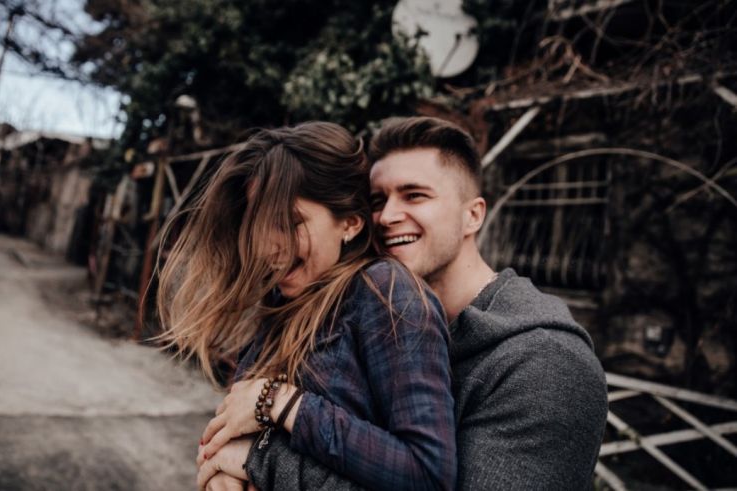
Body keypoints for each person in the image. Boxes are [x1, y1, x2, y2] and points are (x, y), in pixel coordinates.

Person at [199, 117, 608, 490]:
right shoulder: (359, 313)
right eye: (377, 201)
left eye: (414, 195)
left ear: (473, 215)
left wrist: (261, 459)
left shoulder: (545, 363)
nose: (387, 216)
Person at [155, 121, 457, 491]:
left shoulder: (385, 293)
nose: (268, 248)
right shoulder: (283, 301)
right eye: (257, 225)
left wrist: (280, 402)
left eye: (290, 222)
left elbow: (427, 474)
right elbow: (256, 440)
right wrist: (224, 470)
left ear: (350, 223)